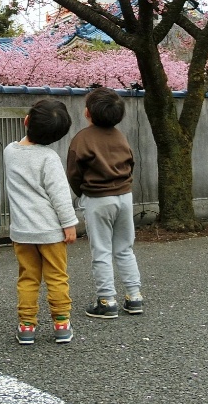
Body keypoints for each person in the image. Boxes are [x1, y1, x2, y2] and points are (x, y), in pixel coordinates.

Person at [3, 99, 78, 345]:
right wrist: (69, 224)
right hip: (51, 231)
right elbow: (59, 195)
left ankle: (26, 326)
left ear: (26, 121)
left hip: (22, 232)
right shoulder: (49, 158)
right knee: (57, 277)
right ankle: (61, 324)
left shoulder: (9, 152)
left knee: (27, 278)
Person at [66, 87, 143, 318]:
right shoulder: (120, 136)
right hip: (124, 196)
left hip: (97, 198)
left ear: (87, 113)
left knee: (101, 250)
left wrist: (83, 193)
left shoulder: (82, 138)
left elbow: (74, 173)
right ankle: (134, 296)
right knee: (125, 248)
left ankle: (107, 300)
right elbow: (131, 164)